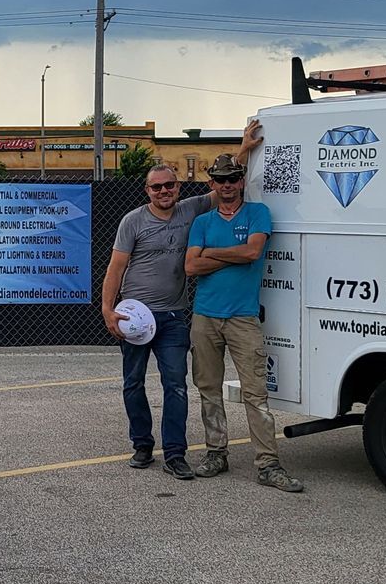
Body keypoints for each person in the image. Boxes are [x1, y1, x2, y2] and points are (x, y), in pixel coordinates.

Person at [100, 121, 262, 479]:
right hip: (136, 317)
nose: (164, 191)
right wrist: (108, 310)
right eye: (157, 187)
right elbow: (116, 267)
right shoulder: (132, 222)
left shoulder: (191, 210)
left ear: (178, 186)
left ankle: (175, 453)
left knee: (175, 384)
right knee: (133, 383)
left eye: (170, 185)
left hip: (172, 317)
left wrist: (244, 148)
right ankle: (142, 445)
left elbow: (225, 183)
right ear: (147, 190)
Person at [184, 152, 302, 491]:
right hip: (205, 316)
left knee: (255, 393)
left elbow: (252, 253)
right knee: (208, 389)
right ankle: (216, 452)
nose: (227, 186)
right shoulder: (203, 222)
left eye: (232, 179)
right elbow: (191, 267)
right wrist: (230, 253)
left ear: (241, 181)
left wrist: (211, 253)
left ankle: (268, 464)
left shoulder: (257, 213)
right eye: (220, 180)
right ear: (213, 184)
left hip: (242, 318)